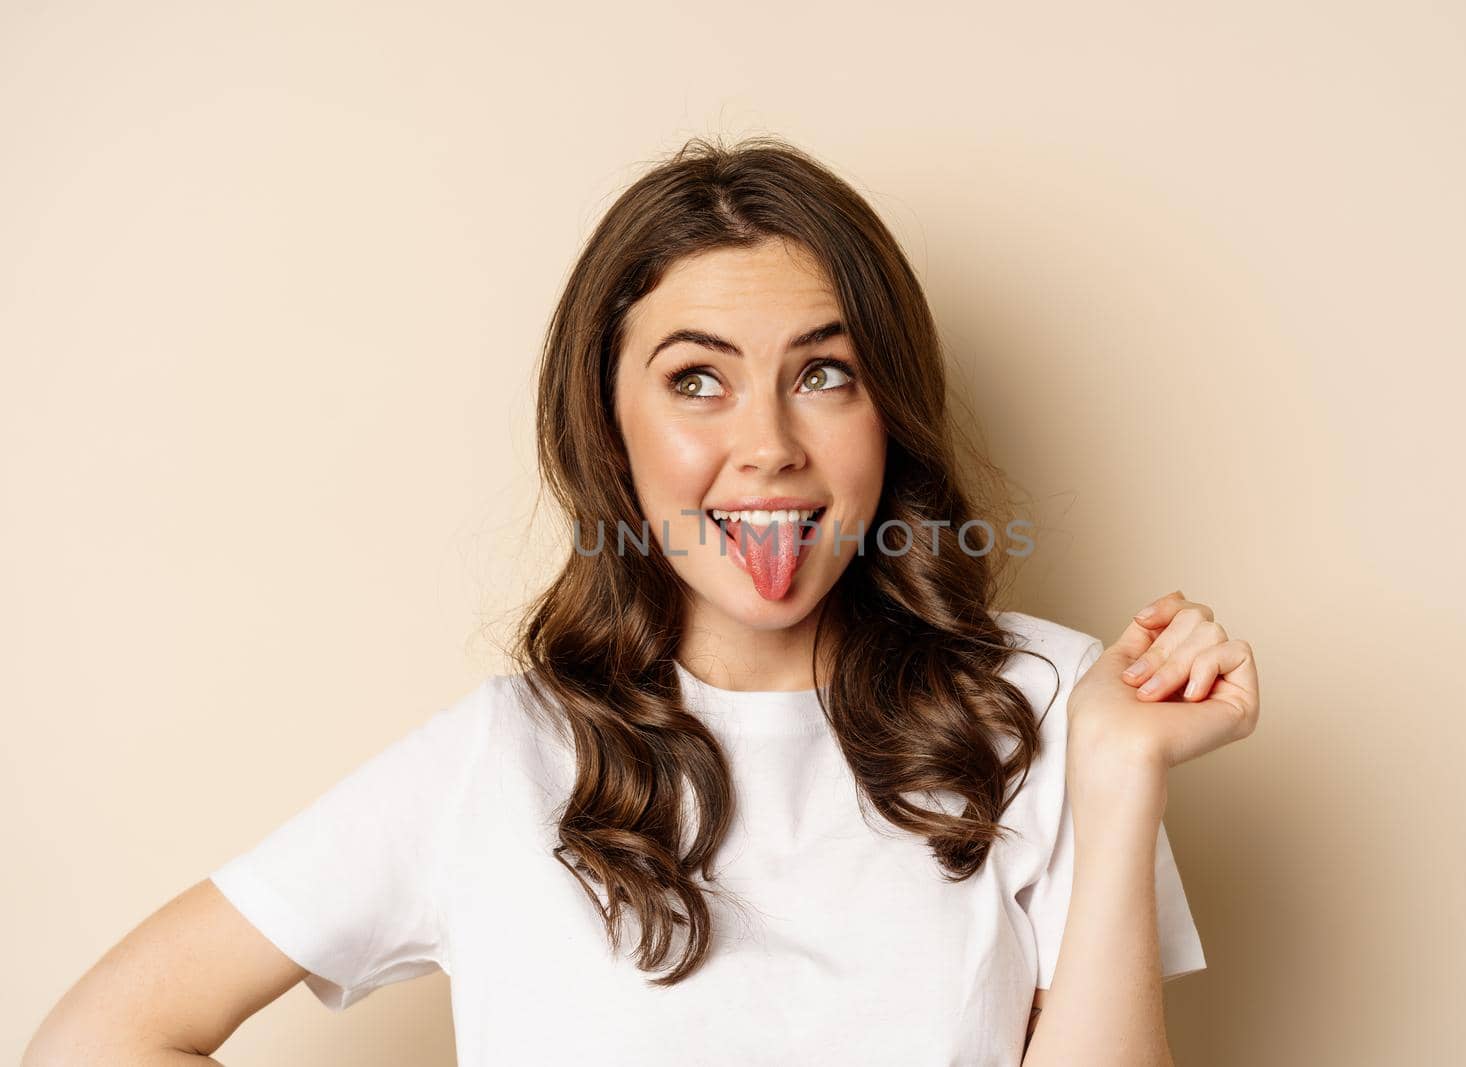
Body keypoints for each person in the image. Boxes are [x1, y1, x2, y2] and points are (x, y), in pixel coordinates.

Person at [23, 136, 1260, 1066]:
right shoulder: (502, 757)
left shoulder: (1045, 701)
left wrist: (1119, 767)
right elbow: (102, 1034)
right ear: (609, 427)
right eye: (697, 380)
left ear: (888, 410)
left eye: (823, 373)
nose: (768, 445)